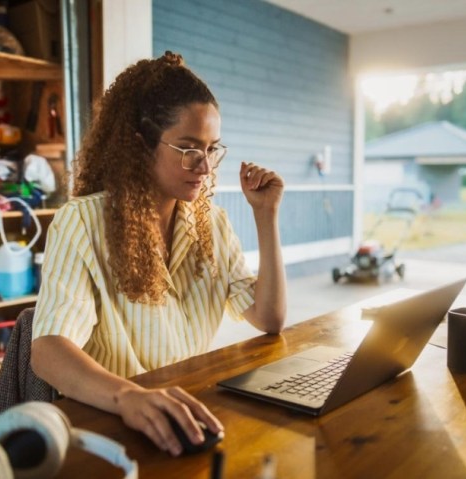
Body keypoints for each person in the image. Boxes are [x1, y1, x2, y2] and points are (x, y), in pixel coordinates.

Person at [30, 51, 287, 457]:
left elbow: (268, 317)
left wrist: (266, 216)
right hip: (112, 425)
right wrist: (128, 397)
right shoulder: (82, 222)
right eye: (188, 148)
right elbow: (47, 351)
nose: (204, 166)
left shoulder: (211, 224)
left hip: (188, 417)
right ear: (139, 145)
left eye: (212, 149)